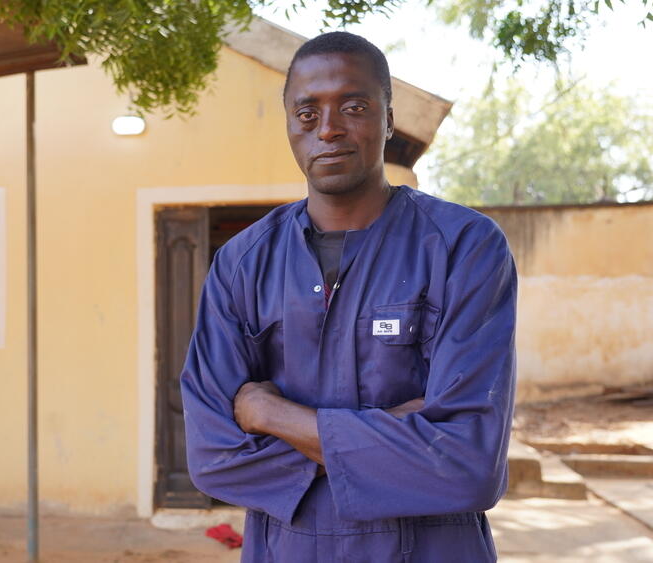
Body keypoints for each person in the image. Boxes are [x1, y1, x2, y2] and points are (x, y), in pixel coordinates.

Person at [179, 31, 517, 562]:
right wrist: (401, 431)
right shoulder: (243, 264)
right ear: (290, 124)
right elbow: (214, 457)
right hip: (288, 549)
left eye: (354, 106)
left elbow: (469, 464)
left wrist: (271, 414)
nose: (329, 129)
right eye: (307, 112)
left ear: (387, 118)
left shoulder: (462, 247)